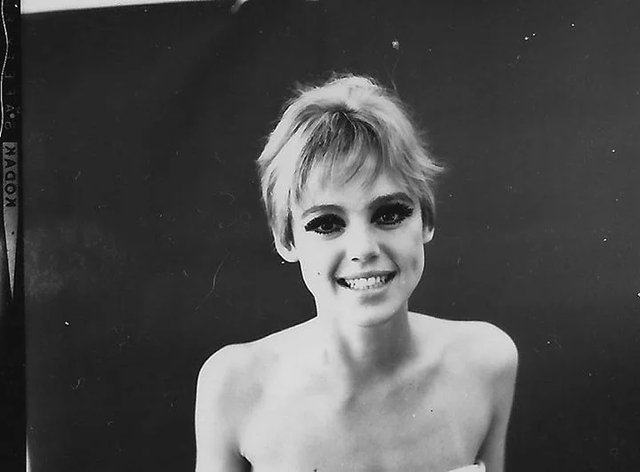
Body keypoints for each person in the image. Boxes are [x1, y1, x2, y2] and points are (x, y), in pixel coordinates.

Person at [194, 74, 518, 472]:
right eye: (327, 223)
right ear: (287, 240)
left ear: (427, 220)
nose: (364, 248)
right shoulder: (235, 388)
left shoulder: (488, 361)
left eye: (389, 214)